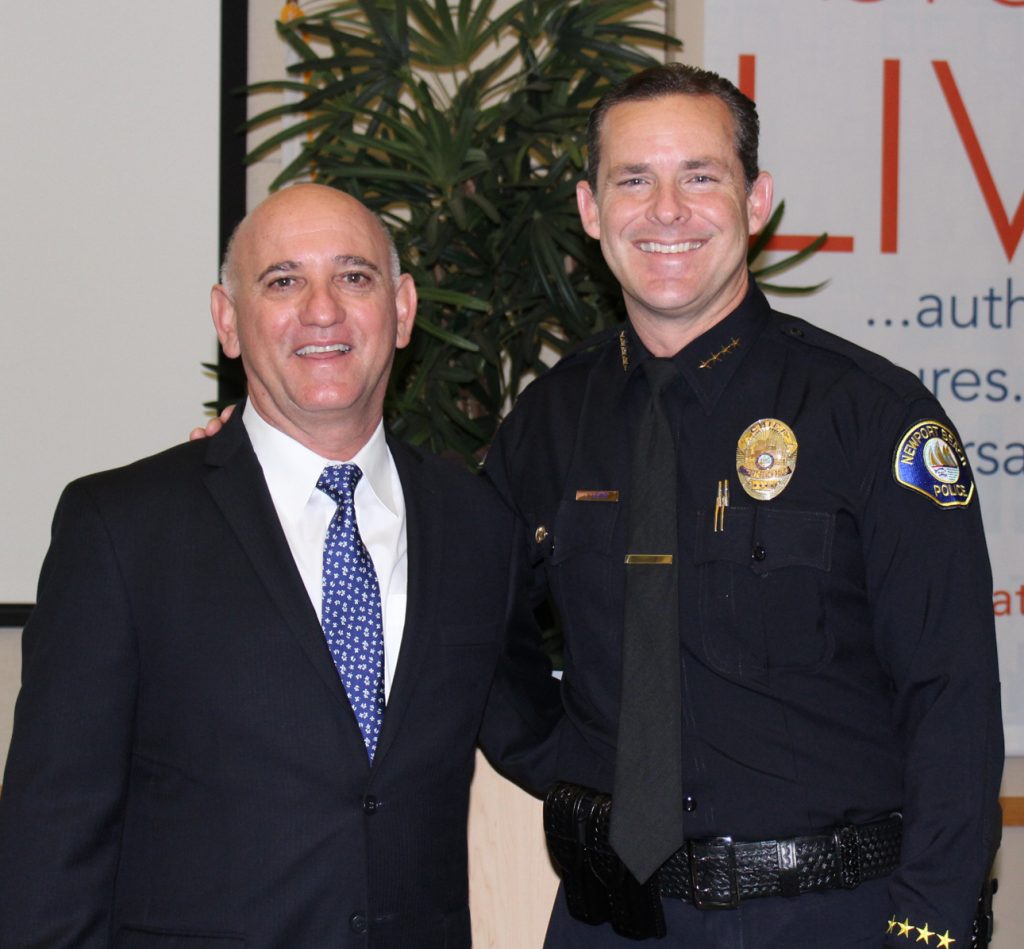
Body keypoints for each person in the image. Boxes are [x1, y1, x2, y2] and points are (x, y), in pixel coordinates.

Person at [483, 63, 1004, 947]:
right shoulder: (549, 420)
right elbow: (472, 613)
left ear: (756, 200)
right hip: (612, 919)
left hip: (833, 915)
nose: (667, 211)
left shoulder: (872, 415)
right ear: (589, 209)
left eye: (701, 175)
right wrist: (569, 763)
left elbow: (950, 694)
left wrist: (932, 927)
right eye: (634, 180)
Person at [0, 183, 559, 947]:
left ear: (402, 310)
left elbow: (542, 733)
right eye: (284, 280)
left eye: (354, 276)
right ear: (228, 322)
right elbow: (50, 839)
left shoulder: (476, 528)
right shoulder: (122, 528)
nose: (321, 309)